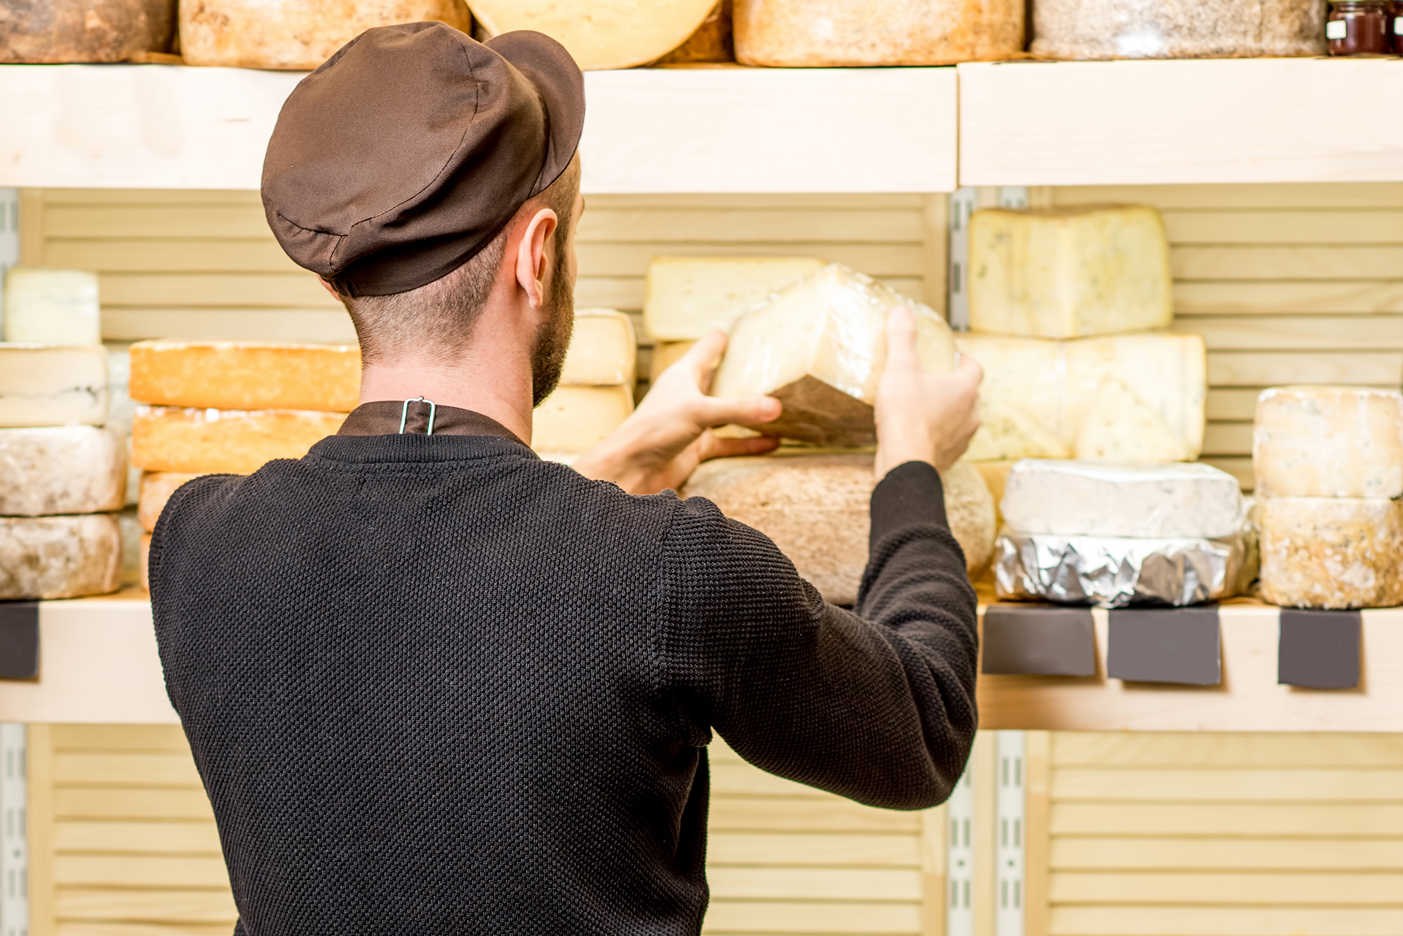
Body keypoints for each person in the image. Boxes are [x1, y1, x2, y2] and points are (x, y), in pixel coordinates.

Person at [149, 21, 984, 936]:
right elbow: (924, 730)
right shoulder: (670, 568)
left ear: (336, 286)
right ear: (536, 255)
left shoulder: (198, 542)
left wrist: (606, 471)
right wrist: (910, 461)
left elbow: (429, 585)